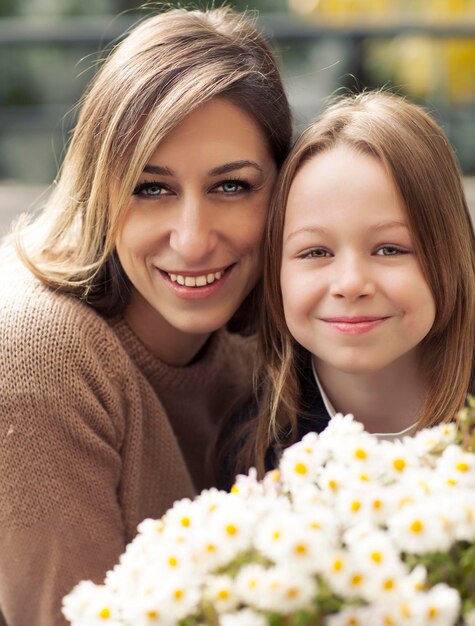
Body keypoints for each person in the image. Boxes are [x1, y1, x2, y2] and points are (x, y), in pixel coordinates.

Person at [0, 6, 292, 625]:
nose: (191, 240)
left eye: (232, 186)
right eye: (150, 187)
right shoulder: (38, 354)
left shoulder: (258, 338)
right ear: (99, 188)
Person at [233, 90, 475, 478]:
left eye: (389, 249)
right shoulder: (251, 453)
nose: (350, 284)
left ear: (450, 253)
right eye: (315, 252)